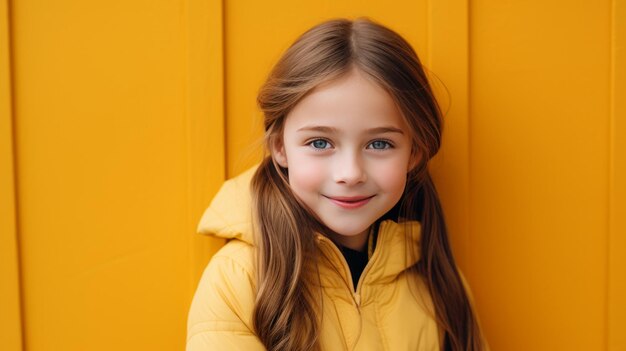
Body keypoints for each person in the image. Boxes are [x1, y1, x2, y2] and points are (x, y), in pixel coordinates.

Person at [187, 17, 487, 351]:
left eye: (379, 144)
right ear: (280, 148)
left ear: (414, 153)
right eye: (319, 143)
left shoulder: (438, 282)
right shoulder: (238, 280)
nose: (350, 173)